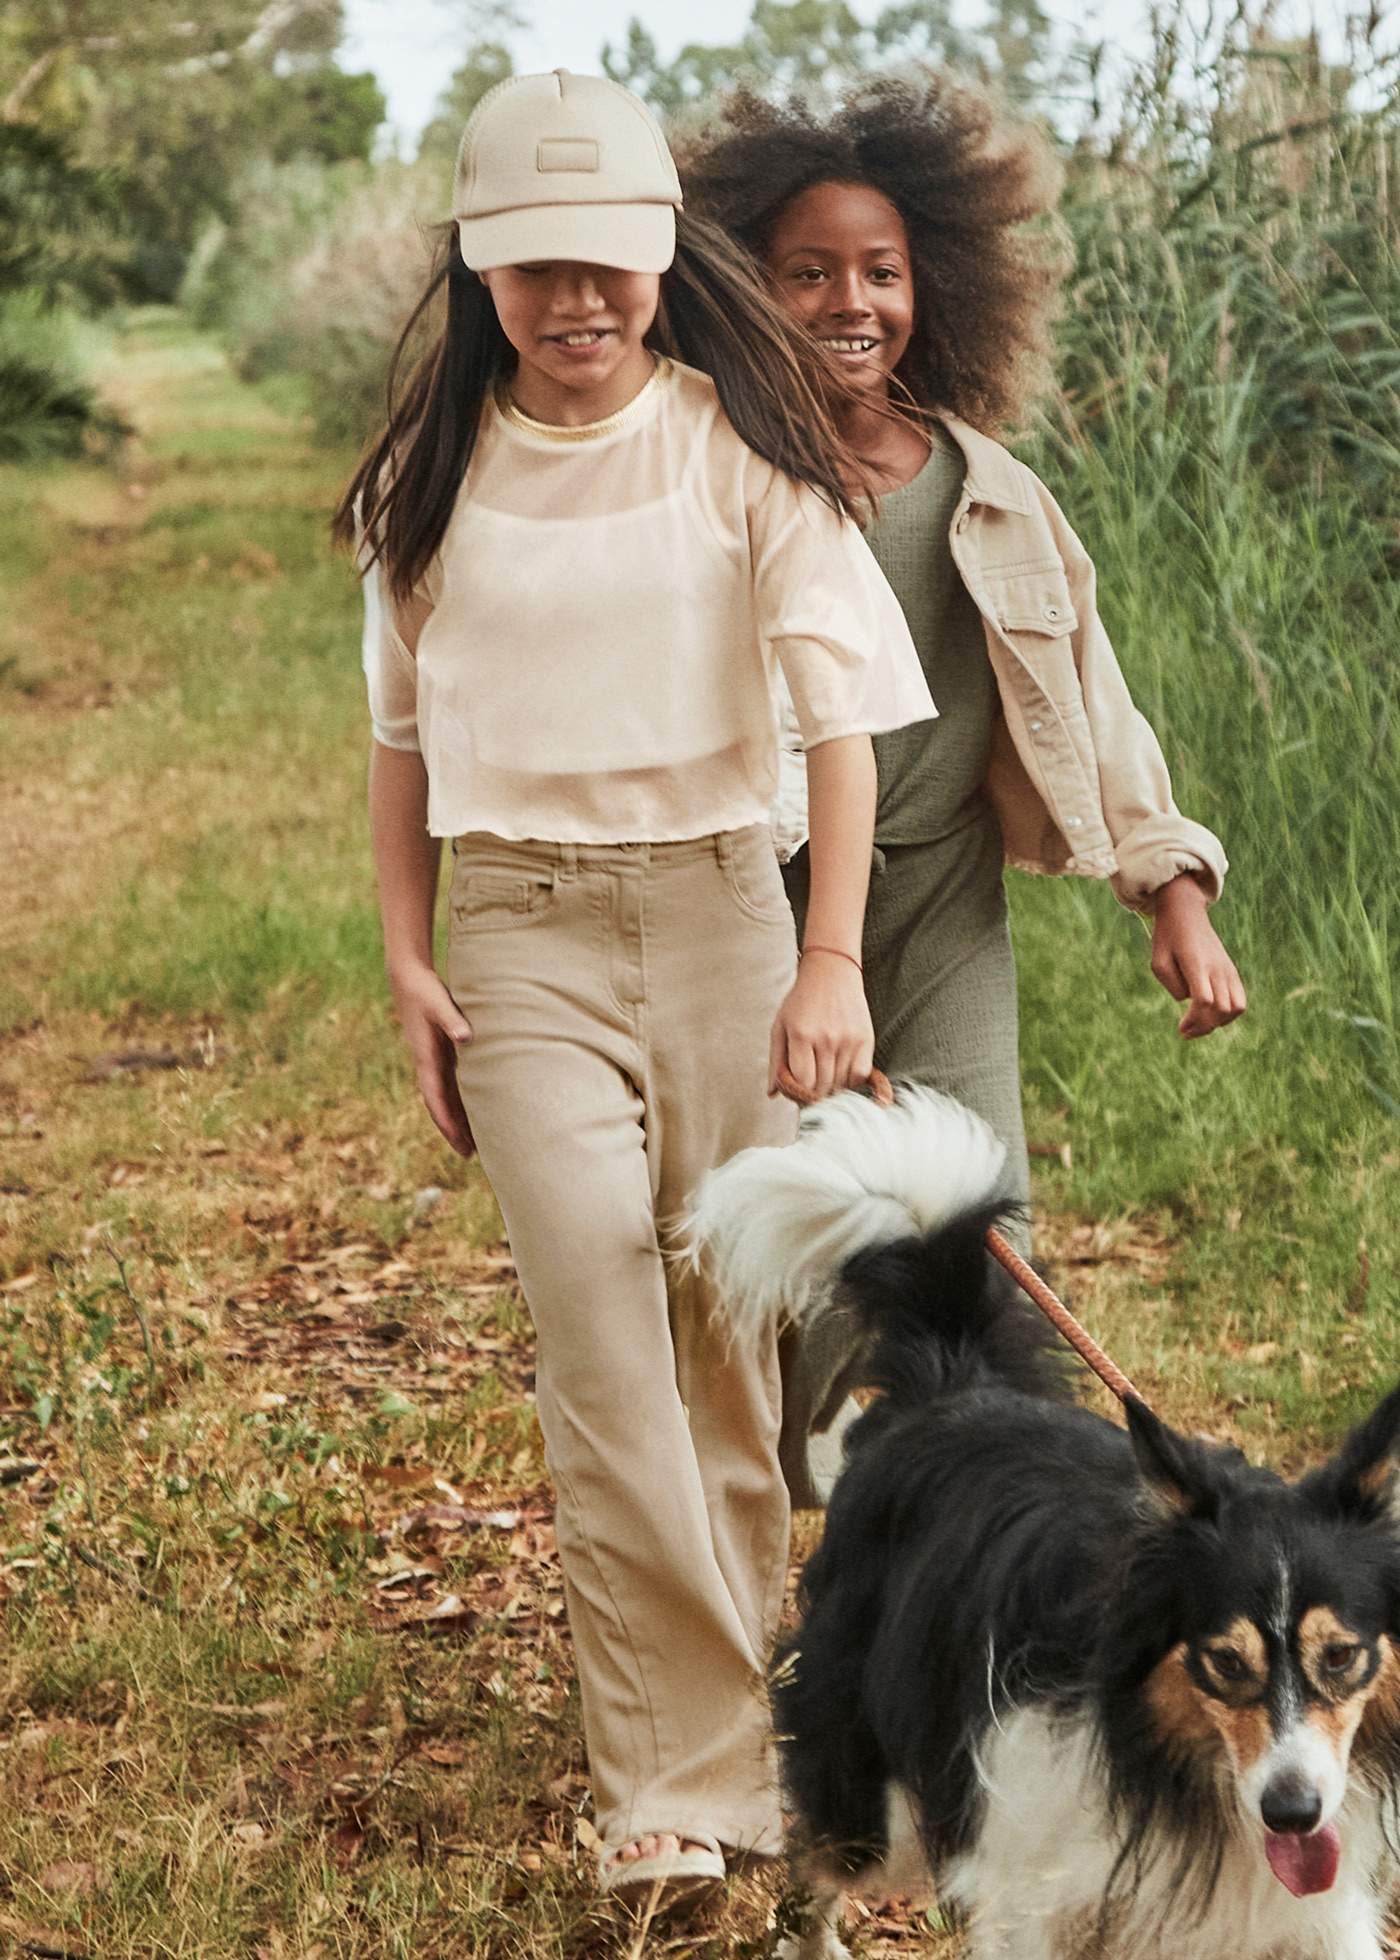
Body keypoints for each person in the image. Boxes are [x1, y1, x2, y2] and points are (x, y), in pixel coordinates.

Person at [331, 70, 933, 1908]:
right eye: (534, 273)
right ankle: (677, 1784)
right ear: (479, 272)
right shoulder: (423, 485)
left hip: (720, 922)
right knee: (601, 1324)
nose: (575, 303)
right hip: (517, 932)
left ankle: (733, 1684)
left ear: (663, 263)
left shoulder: (742, 454)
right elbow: (401, 749)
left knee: (721, 1344)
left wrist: (828, 959)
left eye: (606, 267)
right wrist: (409, 958)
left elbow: (841, 728)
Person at [680, 70, 1247, 1505]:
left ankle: (987, 1546)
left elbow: (1092, 703)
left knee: (977, 1233)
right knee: (789, 1235)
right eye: (805, 274)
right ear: (741, 285)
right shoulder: (708, 479)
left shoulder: (989, 491)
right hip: (749, 908)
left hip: (940, 900)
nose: (849, 302)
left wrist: (1171, 889)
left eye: (881, 271)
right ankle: (784, 1539)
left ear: (940, 283)